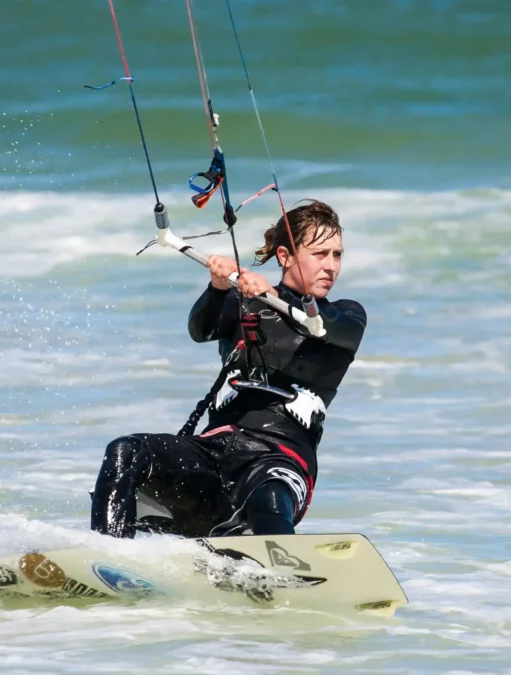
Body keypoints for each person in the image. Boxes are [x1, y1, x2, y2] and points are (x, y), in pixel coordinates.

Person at [90, 200, 366, 539]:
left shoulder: (347, 315)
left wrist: (273, 296)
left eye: (337, 255)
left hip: (280, 459)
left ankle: (284, 572)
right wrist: (219, 287)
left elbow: (318, 325)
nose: (331, 266)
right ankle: (108, 558)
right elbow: (200, 331)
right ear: (286, 256)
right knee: (125, 450)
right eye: (320, 254)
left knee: (269, 500)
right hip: (215, 452)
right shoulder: (242, 302)